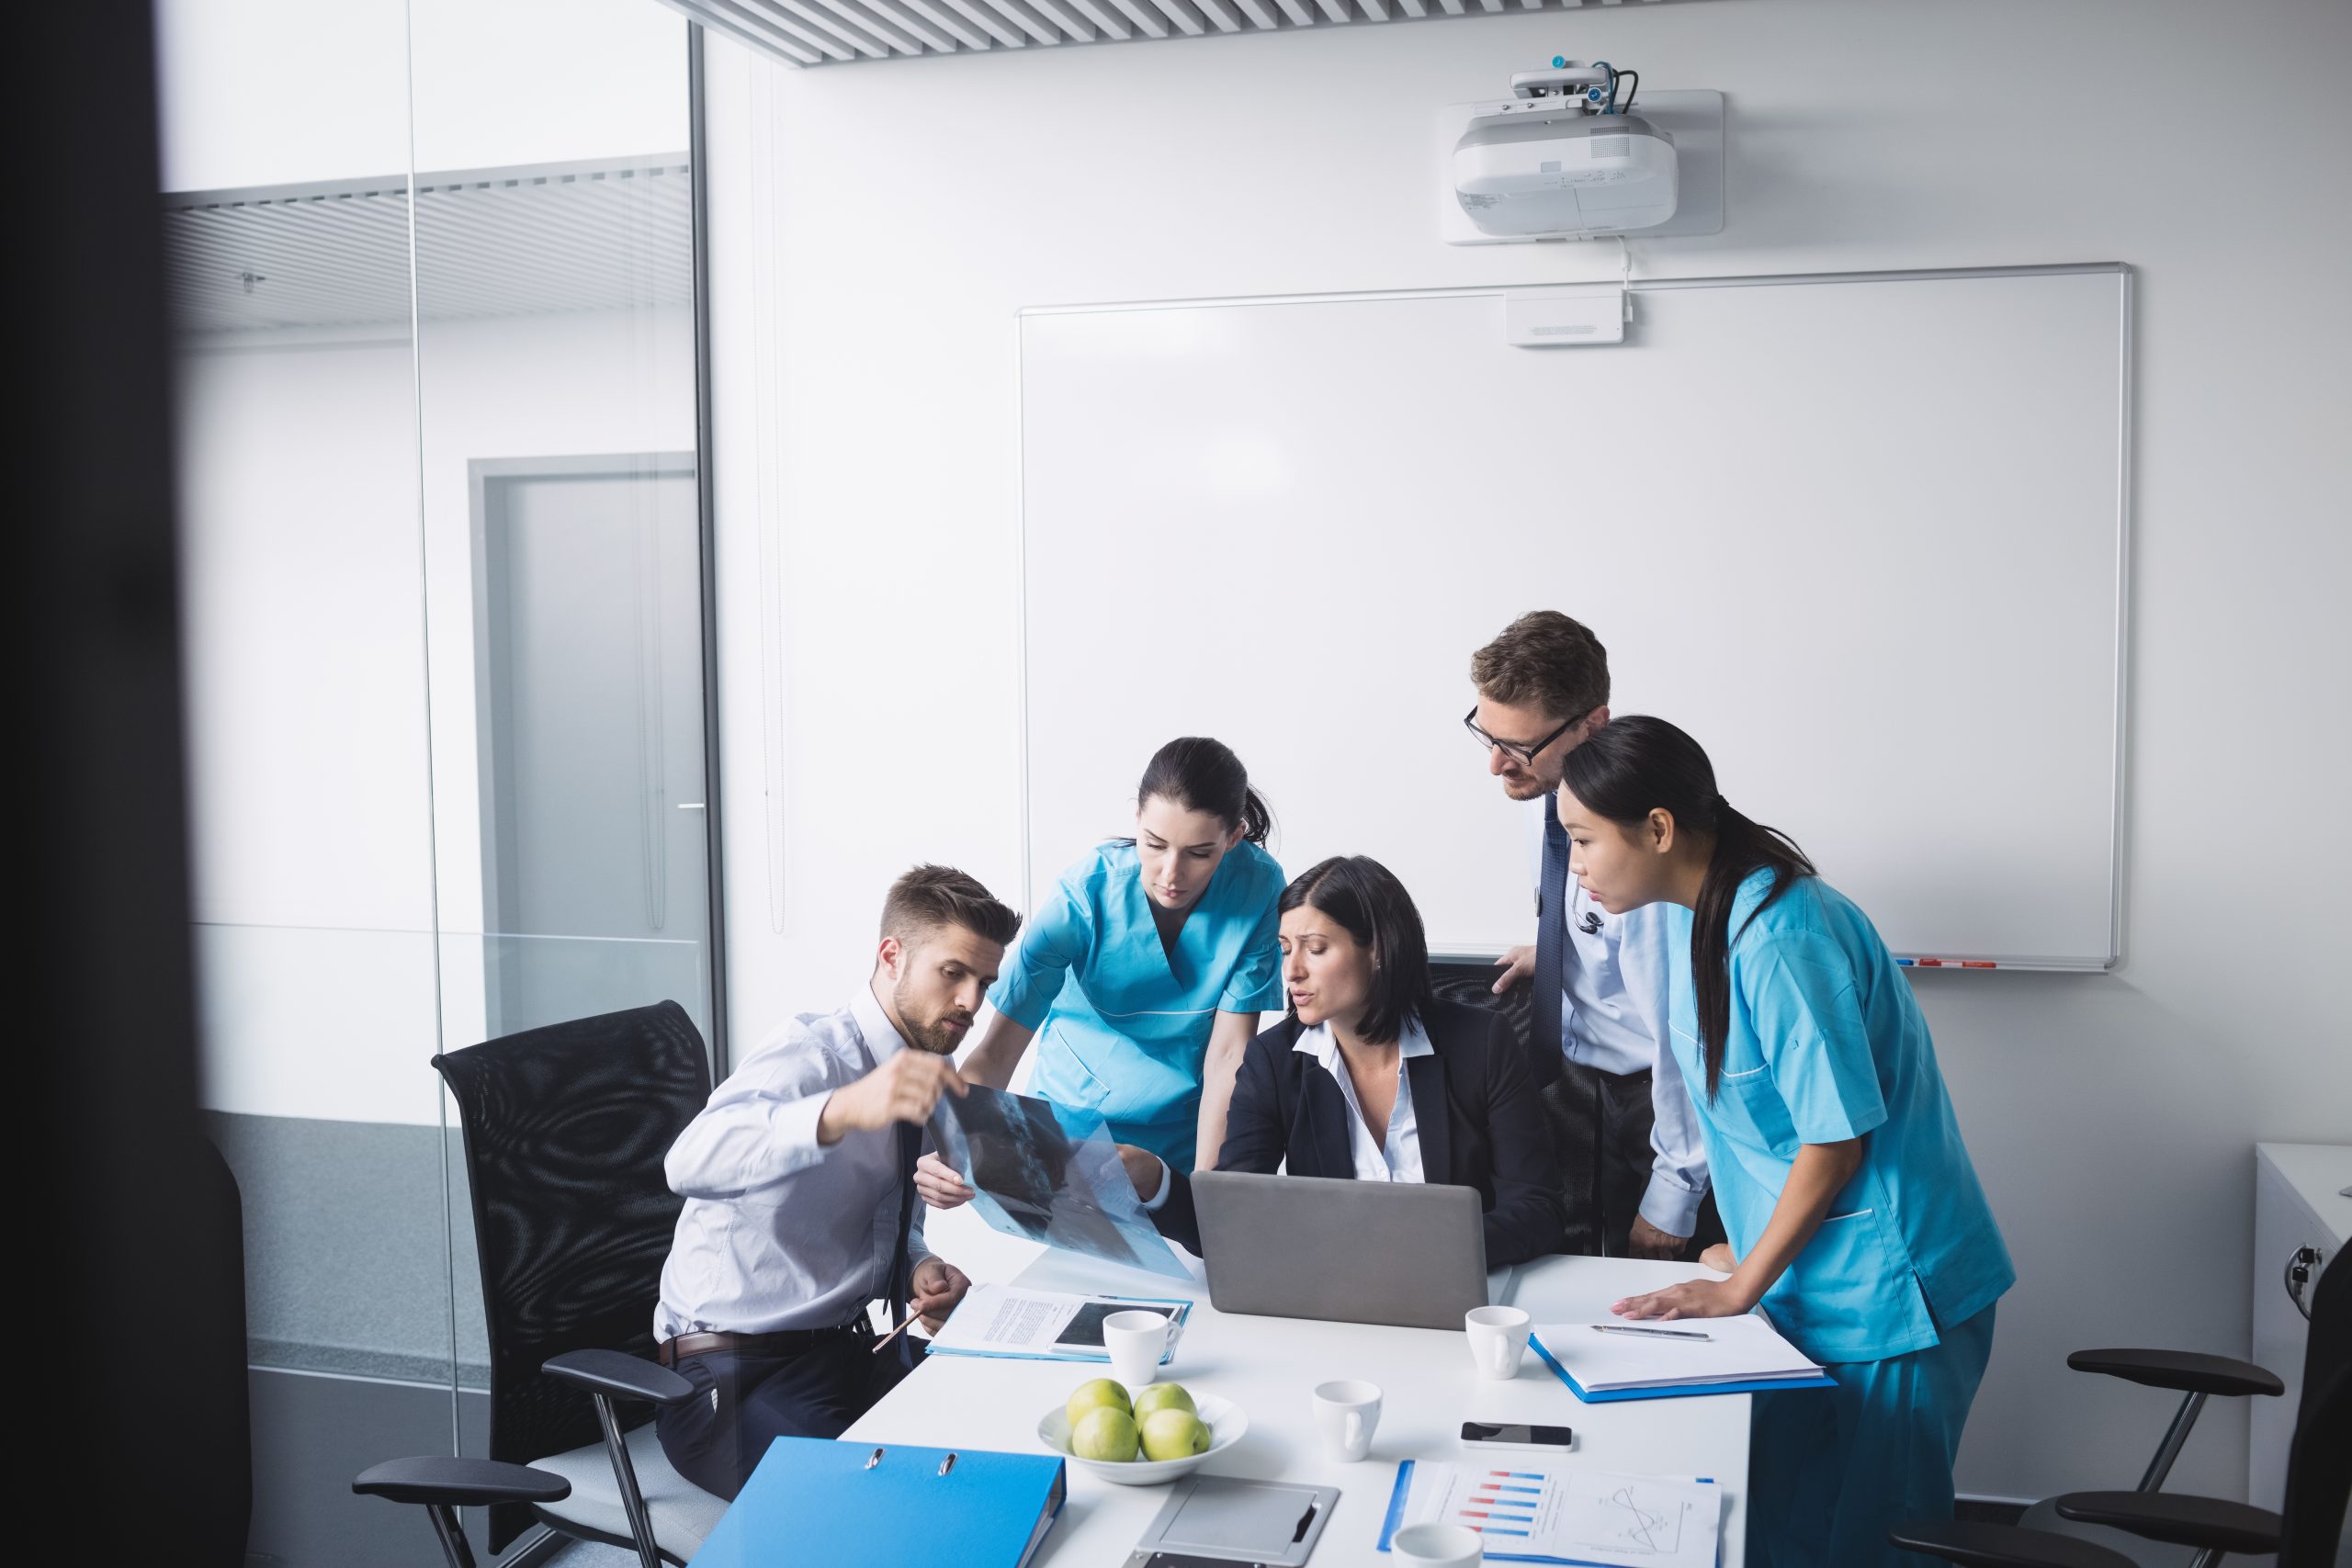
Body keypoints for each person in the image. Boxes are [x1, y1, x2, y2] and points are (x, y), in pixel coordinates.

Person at [1557, 716, 2015, 1566]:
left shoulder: (1780, 935)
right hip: (1809, 1282)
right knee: (1775, 1524)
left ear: (1657, 828)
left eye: (1583, 839)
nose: (1573, 865)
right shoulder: (1707, 920)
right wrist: (1745, 1251)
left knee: (1872, 1544)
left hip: (1889, 1293)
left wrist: (1740, 1287)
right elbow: (1757, 1123)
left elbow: (1833, 1143)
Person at [650, 865, 1021, 1500]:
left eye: (983, 981)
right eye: (953, 973)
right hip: (728, 1379)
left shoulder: (928, 1061)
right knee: (889, 1507)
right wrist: (840, 1111)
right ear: (891, 955)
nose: (970, 1002)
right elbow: (686, 1162)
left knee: (1004, 1434)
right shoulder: (810, 1056)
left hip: (844, 1352)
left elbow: (880, 1218)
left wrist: (916, 1265)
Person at [1115, 855, 1566, 1268]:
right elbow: (1232, 1221)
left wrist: (1420, 1255)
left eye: (1315, 948)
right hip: (1336, 1302)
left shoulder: (1482, 1043)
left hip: (1464, 1295)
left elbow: (1536, 1211)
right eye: (1286, 948)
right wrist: (1151, 1178)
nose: (1291, 971)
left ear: (1378, 951)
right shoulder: (1274, 1061)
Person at [918, 739, 1284, 1213]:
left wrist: (1208, 1201)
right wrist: (951, 1147)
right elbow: (998, 1051)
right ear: (1137, 819)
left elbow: (1229, 1056)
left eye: (1199, 853)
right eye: (1154, 845)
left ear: (1233, 838)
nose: (1170, 873)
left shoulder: (1257, 889)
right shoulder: (1085, 894)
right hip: (1072, 1131)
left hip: (1180, 1138)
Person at [1466, 610, 1718, 1260]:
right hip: (1578, 1080)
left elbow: (1681, 1034)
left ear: (1592, 726)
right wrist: (1552, 951)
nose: (1496, 765)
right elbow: (1588, 921)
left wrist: (1673, 1195)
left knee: (1644, 1288)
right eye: (1485, 734)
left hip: (1653, 1105)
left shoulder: (1643, 848)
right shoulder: (1545, 794)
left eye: (1518, 747)